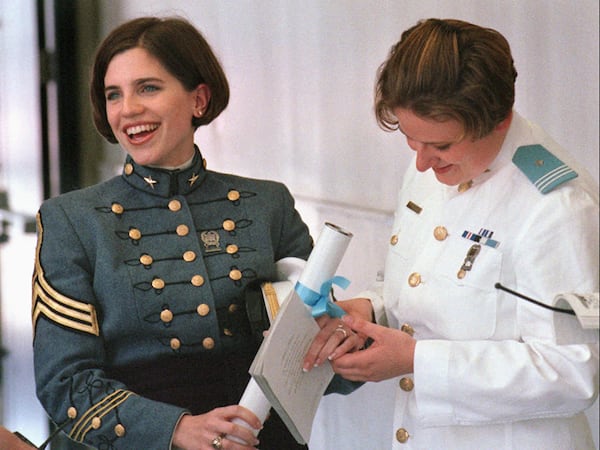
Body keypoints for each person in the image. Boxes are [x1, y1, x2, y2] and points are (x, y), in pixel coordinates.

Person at [304, 18, 599, 449]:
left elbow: (573, 373)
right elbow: (432, 284)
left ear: (498, 120)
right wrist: (370, 311)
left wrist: (416, 360)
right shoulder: (437, 157)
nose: (422, 163)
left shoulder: (554, 206)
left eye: (441, 147)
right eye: (409, 139)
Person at [32, 16, 319, 450]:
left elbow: (318, 360)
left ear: (198, 99)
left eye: (147, 87)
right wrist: (177, 429)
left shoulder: (268, 205)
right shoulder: (70, 220)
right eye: (114, 94)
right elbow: (64, 384)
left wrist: (343, 339)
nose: (127, 109)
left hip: (259, 439)